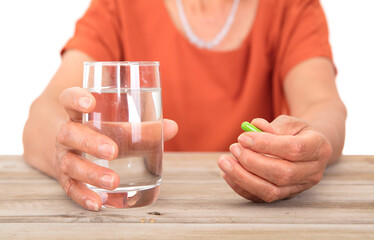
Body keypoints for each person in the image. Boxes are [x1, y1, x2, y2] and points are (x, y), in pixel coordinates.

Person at [23, 0, 346, 211]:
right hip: (147, 215)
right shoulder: (119, 6)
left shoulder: (292, 7)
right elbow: (44, 114)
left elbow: (323, 105)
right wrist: (65, 149)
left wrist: (311, 142)